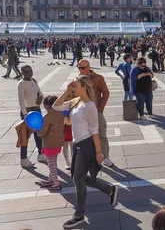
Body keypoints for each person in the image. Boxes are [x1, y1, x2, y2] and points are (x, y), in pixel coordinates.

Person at [53, 76, 118, 229]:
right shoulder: (76, 102)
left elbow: (95, 131)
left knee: (78, 179)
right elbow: (56, 106)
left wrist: (98, 152)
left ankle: (79, 215)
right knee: (79, 177)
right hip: (77, 144)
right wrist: (67, 90)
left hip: (86, 144)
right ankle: (109, 189)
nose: (73, 87)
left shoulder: (90, 106)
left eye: (75, 85)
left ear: (84, 87)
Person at [76, 59, 112, 167]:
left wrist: (100, 108)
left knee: (101, 134)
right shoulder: (78, 79)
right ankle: (89, 157)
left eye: (82, 68)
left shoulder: (98, 78)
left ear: (89, 67)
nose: (80, 70)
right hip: (83, 111)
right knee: (85, 135)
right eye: (79, 67)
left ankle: (105, 156)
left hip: (96, 111)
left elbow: (106, 93)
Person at [17, 65, 45, 168]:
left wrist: (41, 97)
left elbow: (40, 93)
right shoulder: (21, 84)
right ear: (22, 73)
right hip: (28, 111)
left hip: (36, 109)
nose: (29, 73)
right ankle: (23, 158)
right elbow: (21, 101)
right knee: (25, 136)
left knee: (39, 134)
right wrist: (25, 115)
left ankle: (41, 154)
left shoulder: (33, 80)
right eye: (26, 72)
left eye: (30, 71)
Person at [36, 95, 64, 191]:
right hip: (58, 142)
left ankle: (56, 183)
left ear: (47, 105)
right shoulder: (60, 113)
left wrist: (38, 133)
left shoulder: (47, 116)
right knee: (54, 162)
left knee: (51, 165)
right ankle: (51, 179)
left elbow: (43, 131)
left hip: (50, 143)